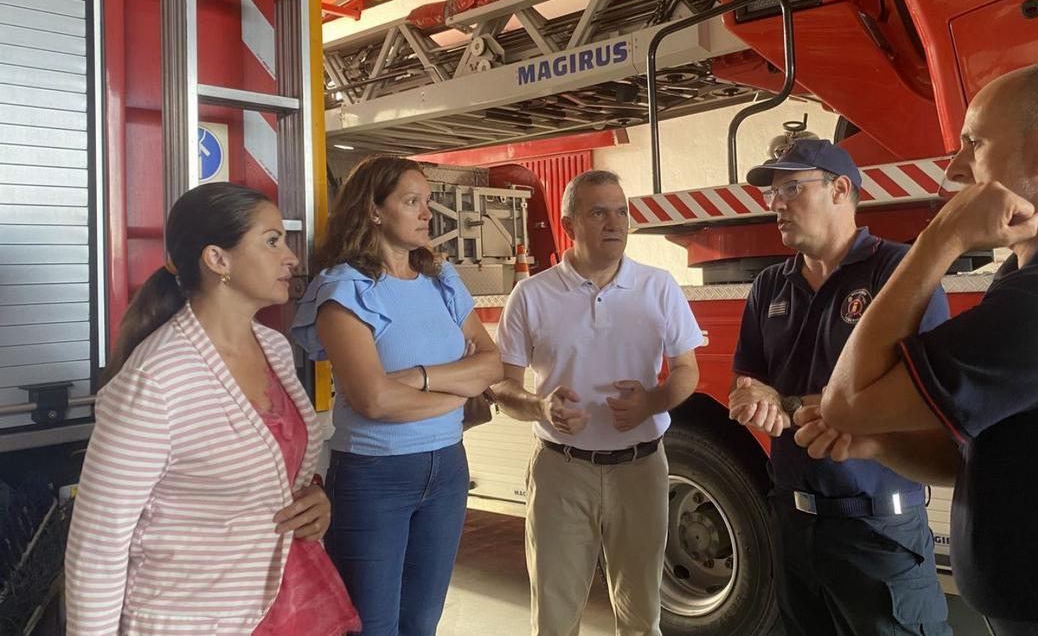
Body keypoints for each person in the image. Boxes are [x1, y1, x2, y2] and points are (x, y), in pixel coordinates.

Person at [794, 59, 1038, 635]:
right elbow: (977, 461)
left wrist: (942, 236)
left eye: (974, 143)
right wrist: (879, 440)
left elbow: (845, 400)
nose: (958, 167)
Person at [64, 182, 359, 635]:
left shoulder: (274, 349)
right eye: (272, 240)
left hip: (286, 605)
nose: (292, 258)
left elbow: (276, 468)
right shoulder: (157, 380)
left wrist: (314, 498)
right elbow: (98, 546)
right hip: (191, 617)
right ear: (217, 259)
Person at [728, 139, 952, 635]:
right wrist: (748, 399)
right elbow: (749, 380)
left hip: (878, 532)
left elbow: (920, 398)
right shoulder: (769, 286)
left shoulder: (896, 274)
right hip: (792, 525)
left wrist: (785, 404)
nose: (776, 203)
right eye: (771, 193)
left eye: (791, 187)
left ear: (840, 189)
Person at [291, 155, 502, 636]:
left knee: (421, 623)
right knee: (372, 626)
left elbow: (492, 363)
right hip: (375, 477)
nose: (428, 214)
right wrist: (457, 393)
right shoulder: (345, 288)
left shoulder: (442, 279)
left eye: (427, 202)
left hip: (447, 469)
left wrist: (421, 377)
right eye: (412, 202)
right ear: (374, 211)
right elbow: (374, 401)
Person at [491, 169, 702, 636]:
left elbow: (688, 371)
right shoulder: (531, 294)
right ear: (569, 224)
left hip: (641, 469)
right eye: (599, 212)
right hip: (562, 472)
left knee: (642, 616)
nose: (615, 222)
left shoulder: (658, 286)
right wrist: (541, 406)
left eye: (622, 211)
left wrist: (652, 402)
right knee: (555, 615)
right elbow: (503, 388)